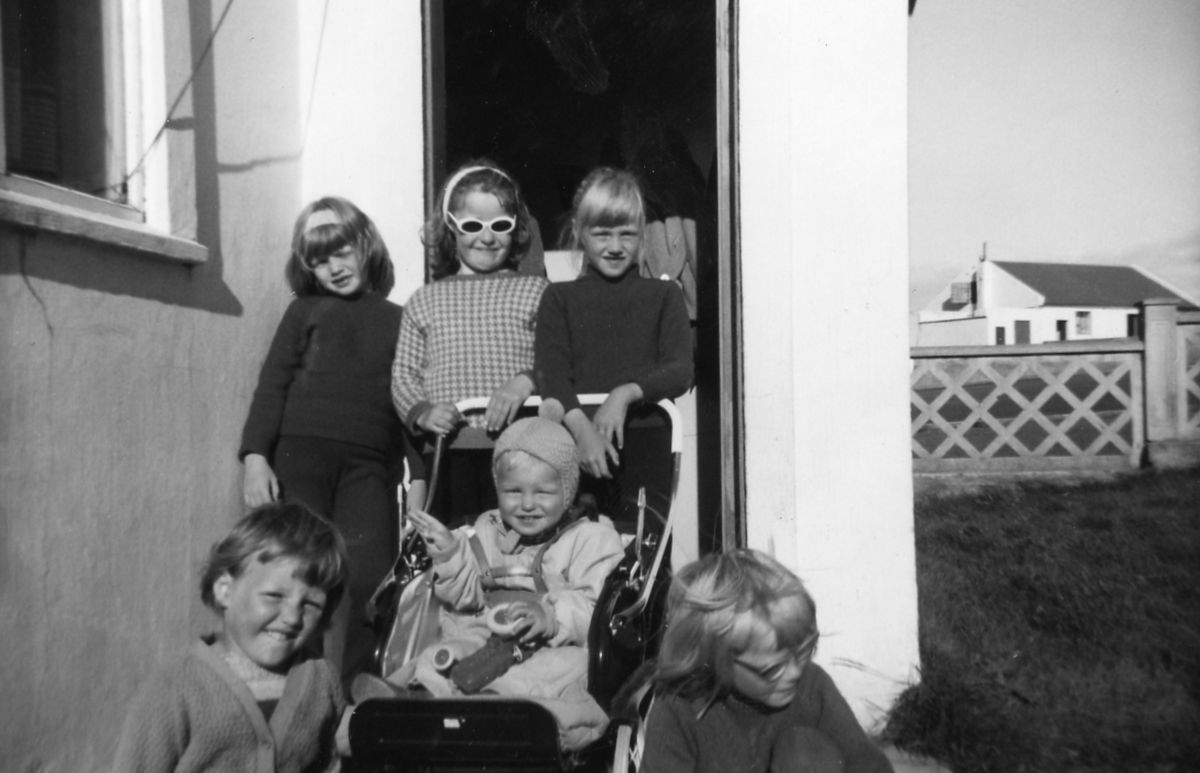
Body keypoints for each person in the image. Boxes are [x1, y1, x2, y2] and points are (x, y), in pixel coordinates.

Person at [356, 417, 625, 751]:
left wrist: (551, 616)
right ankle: (414, 697)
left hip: (553, 642)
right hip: (485, 631)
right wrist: (450, 555)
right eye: (513, 492)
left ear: (567, 492)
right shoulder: (485, 531)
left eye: (543, 492)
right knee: (446, 653)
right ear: (498, 489)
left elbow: (595, 606)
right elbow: (464, 599)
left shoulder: (590, 539)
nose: (527, 504)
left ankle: (495, 705)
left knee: (557, 669)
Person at [238, 196, 420, 682]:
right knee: (299, 572)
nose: (334, 268)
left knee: (370, 577)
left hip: (369, 466)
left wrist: (419, 476)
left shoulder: (399, 318)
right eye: (320, 260)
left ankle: (355, 687)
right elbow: (272, 384)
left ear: (366, 246)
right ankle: (299, 683)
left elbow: (409, 398)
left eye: (342, 252)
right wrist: (255, 457)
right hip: (300, 457)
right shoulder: (304, 311)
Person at [111, 502, 350, 773]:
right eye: (274, 596)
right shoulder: (174, 689)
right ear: (225, 590)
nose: (293, 617)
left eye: (311, 604)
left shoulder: (321, 680)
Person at [640, 549, 895, 773]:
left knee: (802, 752)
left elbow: (870, 767)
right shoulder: (679, 708)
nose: (795, 672)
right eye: (772, 669)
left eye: (804, 652)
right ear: (718, 660)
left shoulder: (811, 687)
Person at [391, 161, 549, 521]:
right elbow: (403, 375)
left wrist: (526, 381)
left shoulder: (537, 291)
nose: (487, 238)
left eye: (501, 225)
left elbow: (559, 358)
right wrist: (423, 412)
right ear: (450, 227)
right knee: (457, 544)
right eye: (473, 226)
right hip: (449, 450)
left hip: (524, 451)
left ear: (517, 228)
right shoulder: (424, 299)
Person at [534, 167, 693, 522]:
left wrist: (624, 394)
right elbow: (551, 375)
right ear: (579, 232)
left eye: (627, 234)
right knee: (573, 549)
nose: (616, 247)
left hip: (646, 442)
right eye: (603, 234)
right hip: (574, 444)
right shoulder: (558, 298)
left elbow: (680, 369)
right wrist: (582, 432)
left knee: (642, 548)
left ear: (643, 234)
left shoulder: (665, 295)